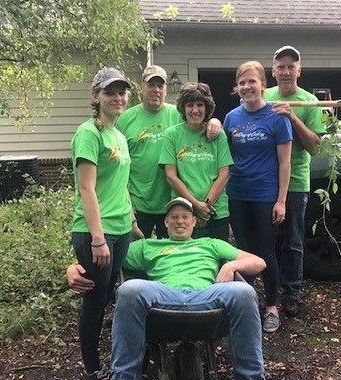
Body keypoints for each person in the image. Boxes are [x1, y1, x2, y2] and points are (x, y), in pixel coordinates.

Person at [68, 197, 282, 380]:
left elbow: (259, 262)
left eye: (185, 217)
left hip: (208, 297)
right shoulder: (147, 246)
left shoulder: (211, 244)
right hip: (163, 299)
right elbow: (104, 261)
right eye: (174, 217)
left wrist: (232, 265)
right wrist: (74, 267)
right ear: (165, 222)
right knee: (129, 289)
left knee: (244, 292)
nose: (180, 221)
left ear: (194, 222)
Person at [70, 67, 139, 380]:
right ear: (96, 96)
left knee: (109, 295)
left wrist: (133, 223)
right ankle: (92, 370)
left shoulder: (118, 135)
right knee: (96, 301)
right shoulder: (89, 133)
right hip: (97, 233)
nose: (118, 97)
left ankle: (110, 359)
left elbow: (120, 185)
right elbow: (87, 189)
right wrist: (98, 239)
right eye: (111, 92)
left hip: (121, 228)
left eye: (122, 91)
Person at [223, 61, 292, 333]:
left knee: (265, 252)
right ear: (237, 88)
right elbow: (223, 156)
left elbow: (284, 163)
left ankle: (272, 307)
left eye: (252, 81)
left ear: (263, 84)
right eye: (242, 83)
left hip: (265, 195)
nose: (247, 87)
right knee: (243, 252)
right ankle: (248, 305)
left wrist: (281, 200)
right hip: (238, 194)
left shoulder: (277, 117)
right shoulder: (232, 118)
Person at [116, 66, 222, 239]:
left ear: (165, 89)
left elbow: (200, 120)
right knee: (135, 257)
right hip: (139, 203)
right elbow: (118, 165)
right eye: (151, 85)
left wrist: (215, 121)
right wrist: (127, 202)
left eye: (160, 86)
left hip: (174, 203)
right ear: (141, 87)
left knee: (170, 257)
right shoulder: (125, 120)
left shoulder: (177, 114)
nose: (155, 90)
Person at [265, 45, 326, 318]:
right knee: (267, 239)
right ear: (273, 71)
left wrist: (291, 116)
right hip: (265, 181)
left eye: (292, 66)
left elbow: (314, 146)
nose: (286, 71)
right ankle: (267, 291)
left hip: (296, 182)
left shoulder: (309, 101)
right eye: (281, 66)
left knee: (293, 241)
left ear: (299, 70)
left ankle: (291, 292)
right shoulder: (263, 96)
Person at [159, 82, 233, 241]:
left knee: (218, 261)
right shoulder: (171, 135)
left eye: (200, 105)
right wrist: (194, 206)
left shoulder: (218, 135)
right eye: (190, 105)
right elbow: (171, 176)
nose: (195, 110)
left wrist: (206, 206)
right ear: (183, 108)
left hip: (216, 211)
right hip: (184, 213)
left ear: (207, 107)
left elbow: (224, 174)